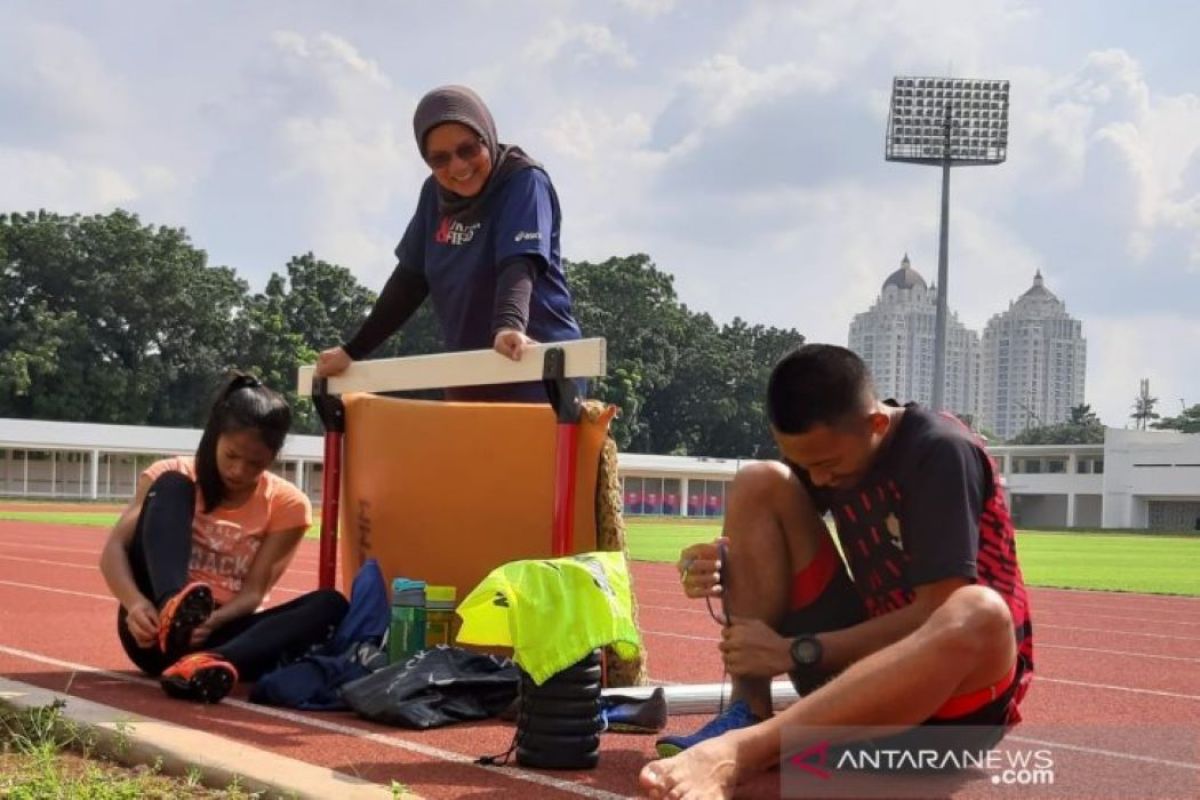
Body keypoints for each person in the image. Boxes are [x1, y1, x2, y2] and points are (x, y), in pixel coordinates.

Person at [641, 344, 1034, 798]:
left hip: (946, 717)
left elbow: (937, 612)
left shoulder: (940, 452)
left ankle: (745, 751)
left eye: (828, 465)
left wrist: (796, 652)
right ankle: (748, 711)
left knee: (978, 610)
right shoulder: (830, 455)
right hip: (855, 695)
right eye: (807, 464)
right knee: (759, 482)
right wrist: (716, 565)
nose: (820, 479)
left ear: (877, 424)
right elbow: (769, 529)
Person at [315, 85, 582, 402]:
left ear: (487, 135)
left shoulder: (522, 180)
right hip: (468, 373)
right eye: (439, 159)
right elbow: (410, 280)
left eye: (468, 150)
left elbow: (519, 261)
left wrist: (509, 325)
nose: (457, 167)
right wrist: (352, 351)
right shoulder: (434, 195)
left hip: (533, 366)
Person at [99, 373, 348, 703]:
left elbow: (254, 593)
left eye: (254, 463)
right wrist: (135, 605)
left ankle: (207, 666)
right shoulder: (170, 474)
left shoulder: (288, 504)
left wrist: (215, 621)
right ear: (215, 436)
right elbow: (113, 551)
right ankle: (173, 602)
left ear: (272, 458)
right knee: (173, 484)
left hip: (221, 632)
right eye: (231, 455)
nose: (239, 471)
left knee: (330, 603)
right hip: (150, 628)